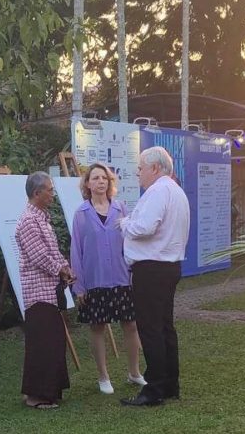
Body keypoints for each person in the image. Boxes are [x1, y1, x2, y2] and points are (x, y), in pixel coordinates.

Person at [119, 146, 190, 407]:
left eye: (140, 167)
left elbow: (145, 227)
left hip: (152, 268)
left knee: (151, 329)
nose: (138, 173)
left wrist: (125, 224)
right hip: (168, 266)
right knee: (164, 327)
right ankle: (170, 383)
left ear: (155, 168)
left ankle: (154, 389)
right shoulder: (176, 191)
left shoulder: (158, 190)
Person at [69, 162, 146, 395]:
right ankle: (103, 376)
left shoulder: (121, 208)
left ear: (110, 182)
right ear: (87, 184)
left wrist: (135, 272)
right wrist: (79, 286)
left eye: (104, 178)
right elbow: (76, 251)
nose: (100, 181)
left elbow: (131, 241)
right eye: (95, 178)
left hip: (122, 278)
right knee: (97, 327)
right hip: (95, 281)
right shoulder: (81, 214)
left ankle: (134, 372)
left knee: (131, 325)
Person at [15, 171, 76, 409]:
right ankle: (36, 396)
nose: (53, 194)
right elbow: (39, 255)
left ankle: (49, 391)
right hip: (37, 292)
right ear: (37, 193)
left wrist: (65, 267)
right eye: (50, 190)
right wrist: (60, 270)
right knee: (43, 344)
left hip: (49, 291)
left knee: (53, 341)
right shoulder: (29, 221)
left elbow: (52, 250)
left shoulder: (42, 218)